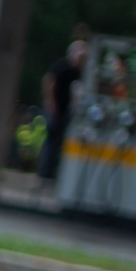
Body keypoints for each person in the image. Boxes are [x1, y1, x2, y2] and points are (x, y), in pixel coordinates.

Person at [39, 34, 89, 183]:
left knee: (62, 141)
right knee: (52, 139)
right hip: (55, 108)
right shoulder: (62, 66)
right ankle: (45, 171)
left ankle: (55, 171)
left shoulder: (80, 72)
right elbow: (49, 82)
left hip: (67, 111)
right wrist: (51, 104)